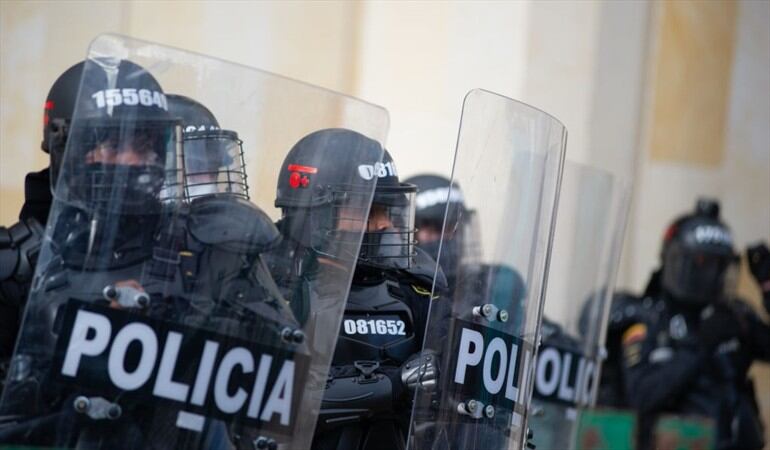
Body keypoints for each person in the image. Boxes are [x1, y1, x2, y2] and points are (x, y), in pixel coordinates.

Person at [268, 129, 445, 450]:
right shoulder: (270, 284)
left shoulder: (413, 287)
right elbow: (266, 395)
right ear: (315, 212)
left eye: (386, 210)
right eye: (366, 210)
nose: (383, 224)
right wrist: (392, 385)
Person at [620, 198, 770, 450]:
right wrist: (699, 348)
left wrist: (768, 287)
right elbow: (641, 396)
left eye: (718, 266)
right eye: (701, 263)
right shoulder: (648, 319)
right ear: (675, 260)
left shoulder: (733, 316)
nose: (710, 276)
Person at [0, 61, 85, 372]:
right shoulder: (15, 265)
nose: (127, 160)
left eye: (142, 145)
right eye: (100, 145)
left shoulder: (183, 261)